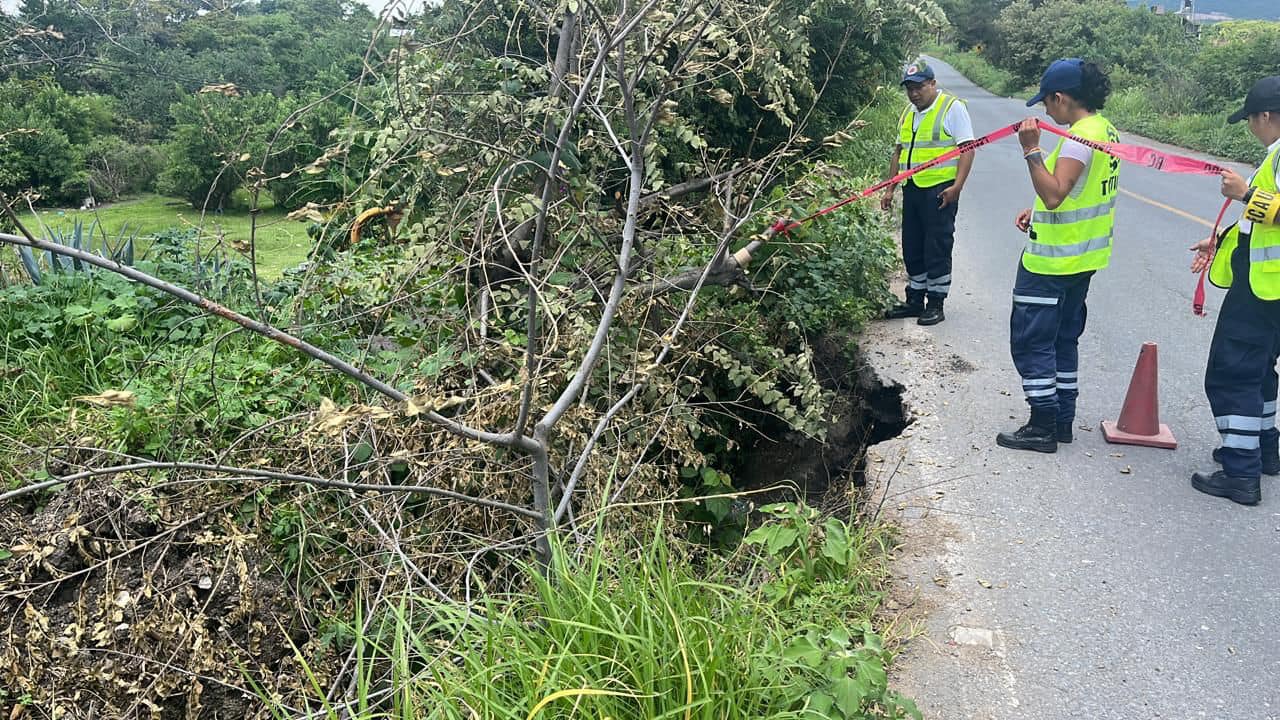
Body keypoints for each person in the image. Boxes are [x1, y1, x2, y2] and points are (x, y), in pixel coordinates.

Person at [997, 59, 1120, 454]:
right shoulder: (1105, 130)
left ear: (1061, 97)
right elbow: (1077, 192)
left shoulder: (1079, 137)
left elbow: (1056, 192)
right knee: (1064, 339)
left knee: (1033, 341)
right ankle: (1062, 419)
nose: (1045, 111)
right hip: (1081, 259)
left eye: (1047, 103)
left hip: (1051, 262)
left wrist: (1031, 150)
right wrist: (1038, 209)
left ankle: (1042, 425)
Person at [1188, 76, 1280, 505]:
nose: (1249, 127)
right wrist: (1222, 238)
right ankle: (1262, 452)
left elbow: (1267, 209)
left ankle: (1240, 473)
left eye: (1250, 119)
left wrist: (1247, 193)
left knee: (1231, 372)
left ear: (1266, 116)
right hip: (1268, 290)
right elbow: (1258, 226)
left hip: (1264, 292)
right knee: (1259, 371)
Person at [881, 57, 975, 326]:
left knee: (937, 246)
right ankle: (914, 300)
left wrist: (957, 187)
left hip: (939, 191)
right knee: (912, 246)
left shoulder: (951, 108)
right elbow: (899, 152)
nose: (914, 93)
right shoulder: (908, 112)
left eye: (919, 87)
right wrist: (890, 188)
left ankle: (935, 302)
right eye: (909, 88)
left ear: (933, 83)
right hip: (912, 190)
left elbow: (967, 148)